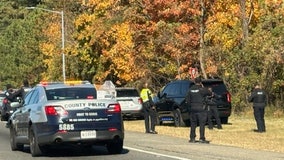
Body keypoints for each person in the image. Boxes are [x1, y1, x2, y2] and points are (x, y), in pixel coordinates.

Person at [186, 77, 212, 143]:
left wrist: (190, 108)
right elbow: (210, 93)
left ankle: (192, 138)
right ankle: (202, 138)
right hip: (201, 108)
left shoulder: (190, 89)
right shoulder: (202, 89)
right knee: (202, 124)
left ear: (194, 82)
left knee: (193, 123)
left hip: (192, 108)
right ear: (200, 82)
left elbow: (187, 100)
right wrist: (203, 87)